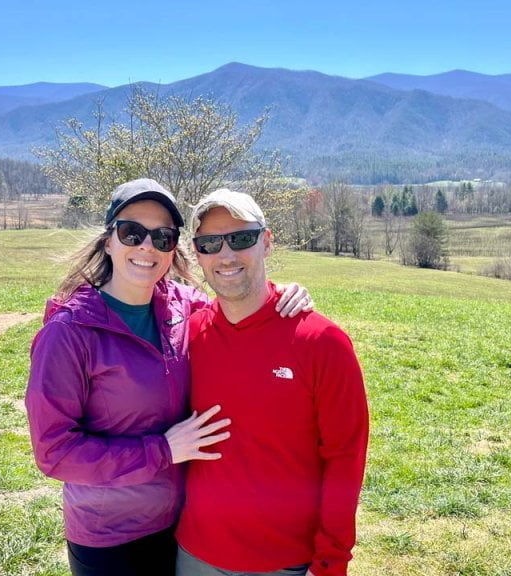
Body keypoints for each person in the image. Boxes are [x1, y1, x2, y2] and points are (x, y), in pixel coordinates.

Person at [24, 178, 313, 576]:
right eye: (132, 232)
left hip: (183, 525)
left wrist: (281, 294)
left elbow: (237, 307)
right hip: (112, 537)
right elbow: (55, 453)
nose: (147, 246)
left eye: (162, 237)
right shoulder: (70, 333)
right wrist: (162, 450)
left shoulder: (184, 305)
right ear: (109, 240)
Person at [176, 189, 369, 576]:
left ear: (266, 242)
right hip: (194, 553)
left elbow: (345, 460)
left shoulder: (321, 343)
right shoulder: (186, 334)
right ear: (197, 254)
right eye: (210, 243)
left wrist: (331, 561)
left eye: (242, 238)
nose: (226, 255)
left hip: (286, 562)